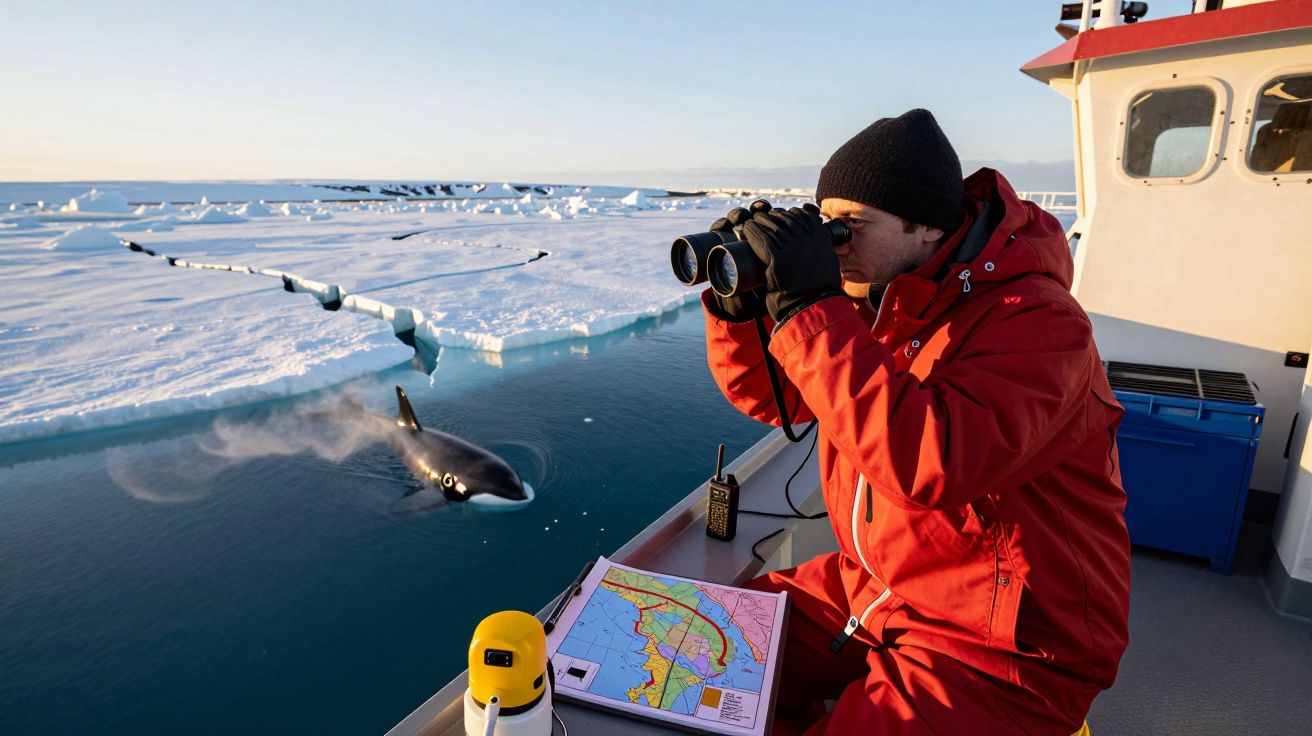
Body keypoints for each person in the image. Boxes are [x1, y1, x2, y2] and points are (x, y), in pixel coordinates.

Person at [701, 109, 1131, 735]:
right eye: (827, 224)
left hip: (1002, 643)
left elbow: (931, 464)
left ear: (927, 225)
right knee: (700, 644)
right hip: (875, 588)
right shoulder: (884, 295)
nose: (833, 245)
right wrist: (744, 312)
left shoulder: (1040, 323)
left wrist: (809, 308)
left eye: (850, 228)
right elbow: (780, 401)